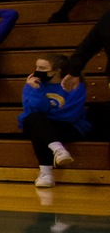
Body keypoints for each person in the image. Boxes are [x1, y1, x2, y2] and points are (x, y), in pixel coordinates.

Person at [20, 55, 93, 187]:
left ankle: (46, 173)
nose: (37, 70)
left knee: (39, 126)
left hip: (68, 126)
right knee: (34, 120)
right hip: (41, 125)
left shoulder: (75, 86)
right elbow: (31, 110)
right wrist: (36, 91)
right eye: (36, 67)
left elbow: (70, 115)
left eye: (42, 68)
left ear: (57, 71)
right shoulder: (33, 85)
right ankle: (58, 150)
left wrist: (46, 118)